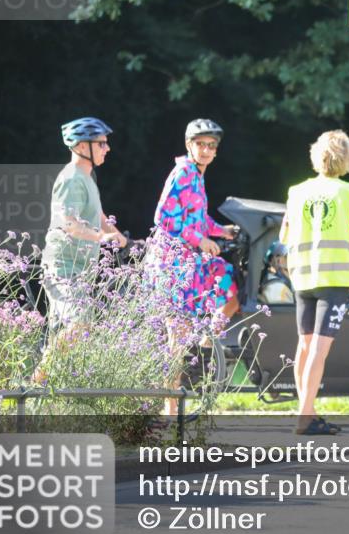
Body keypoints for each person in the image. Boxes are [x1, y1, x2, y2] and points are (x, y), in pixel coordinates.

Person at [280, 130, 349, 435]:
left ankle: (306, 411)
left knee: (304, 347)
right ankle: (305, 417)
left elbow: (284, 235)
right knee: (319, 350)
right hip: (334, 280)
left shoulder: (296, 191)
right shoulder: (348, 192)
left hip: (303, 277)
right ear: (347, 158)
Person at [148, 118, 239, 413]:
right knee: (177, 335)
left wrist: (221, 231)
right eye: (201, 144)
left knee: (228, 282)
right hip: (173, 264)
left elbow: (197, 219)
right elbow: (163, 217)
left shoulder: (198, 177)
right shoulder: (183, 172)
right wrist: (200, 241)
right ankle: (171, 411)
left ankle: (205, 345)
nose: (206, 150)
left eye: (212, 146)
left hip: (192, 261)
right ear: (190, 145)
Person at [40, 117, 128, 330]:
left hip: (81, 269)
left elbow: (98, 215)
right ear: (81, 146)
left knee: (72, 336)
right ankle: (47, 365)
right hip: (64, 268)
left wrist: (123, 239)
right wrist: (102, 237)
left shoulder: (86, 177)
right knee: (79, 326)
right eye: (101, 143)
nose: (107, 148)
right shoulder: (71, 178)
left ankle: (48, 364)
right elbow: (68, 224)